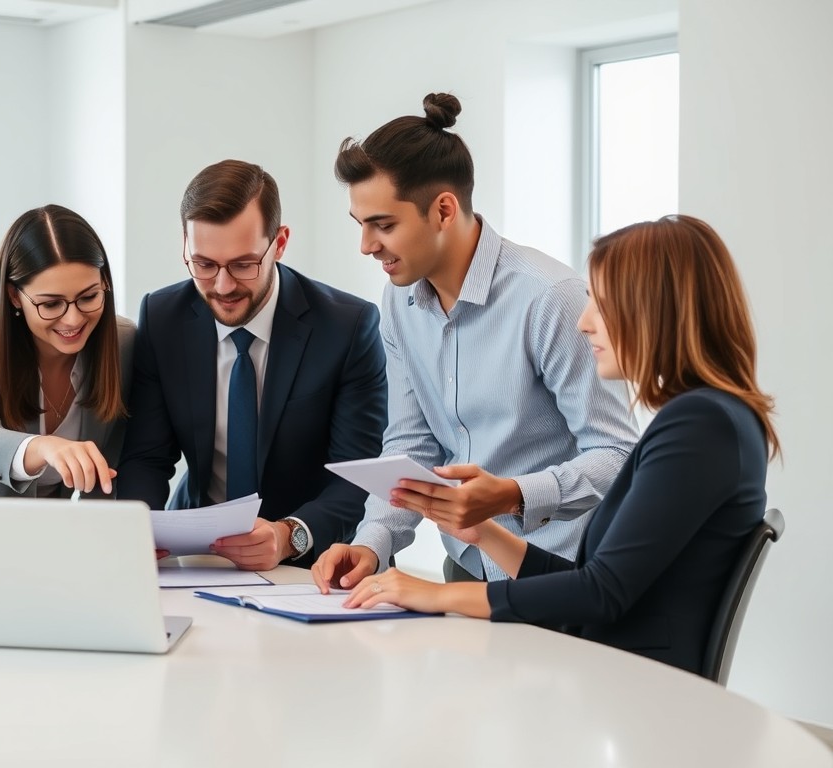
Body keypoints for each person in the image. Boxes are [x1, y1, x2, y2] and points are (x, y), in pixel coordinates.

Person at [347, 215, 778, 676]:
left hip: (636, 689)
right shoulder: (707, 420)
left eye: (602, 303)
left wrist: (436, 594)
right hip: (612, 670)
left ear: (657, 310)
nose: (584, 323)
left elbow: (599, 594)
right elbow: (591, 583)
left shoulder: (701, 426)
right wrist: (484, 532)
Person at [311, 93, 639, 589]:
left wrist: (513, 494)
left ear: (444, 209)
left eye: (384, 225)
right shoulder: (399, 302)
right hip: (463, 568)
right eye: (361, 226)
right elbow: (412, 442)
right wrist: (371, 543)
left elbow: (617, 455)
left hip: (562, 574)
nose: (367, 245)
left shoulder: (549, 298)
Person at [116, 159, 389, 570]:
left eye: (244, 264)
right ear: (185, 248)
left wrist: (288, 535)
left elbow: (356, 477)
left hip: (314, 560)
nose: (223, 287)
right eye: (204, 264)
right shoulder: (162, 316)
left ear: (279, 243)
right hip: (195, 553)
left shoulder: (347, 327)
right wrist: (141, 533)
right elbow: (146, 456)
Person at [0, 204, 131, 498]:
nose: (73, 319)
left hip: (49, 528)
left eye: (89, 297)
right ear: (14, 296)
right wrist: (45, 446)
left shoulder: (125, 343)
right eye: (50, 304)